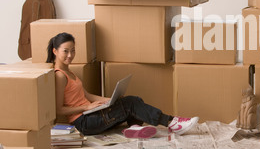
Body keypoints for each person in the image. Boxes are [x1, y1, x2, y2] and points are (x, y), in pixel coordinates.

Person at [47, 32, 198, 138]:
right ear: (55, 51)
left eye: (73, 51)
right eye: (65, 51)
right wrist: (85, 107)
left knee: (133, 100)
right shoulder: (60, 75)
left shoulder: (70, 72)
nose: (70, 55)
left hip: (90, 115)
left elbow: (86, 95)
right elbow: (58, 109)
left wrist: (109, 100)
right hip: (83, 122)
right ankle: (172, 122)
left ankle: (133, 129)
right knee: (130, 103)